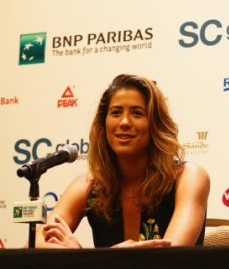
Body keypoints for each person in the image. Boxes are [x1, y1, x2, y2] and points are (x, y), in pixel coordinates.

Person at [35, 74, 210, 248]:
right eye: (116, 113)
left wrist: (87, 259)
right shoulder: (88, 185)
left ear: (155, 124)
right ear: (103, 124)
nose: (125, 122)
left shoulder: (188, 177)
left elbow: (170, 256)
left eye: (137, 113)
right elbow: (35, 242)